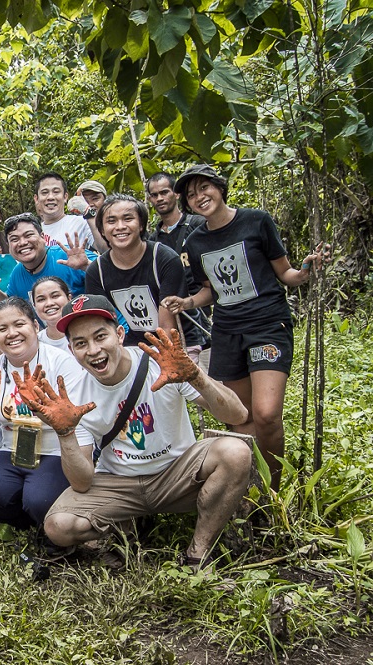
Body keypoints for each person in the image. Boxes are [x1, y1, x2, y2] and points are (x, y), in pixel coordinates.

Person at [36, 295, 251, 570]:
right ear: (71, 350)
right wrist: (65, 433)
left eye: (100, 336)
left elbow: (238, 415)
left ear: (119, 333)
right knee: (59, 526)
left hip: (177, 474)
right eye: (81, 343)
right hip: (120, 482)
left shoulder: (161, 364)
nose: (93, 350)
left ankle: (198, 551)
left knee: (235, 452)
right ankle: (126, 525)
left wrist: (195, 375)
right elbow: (81, 482)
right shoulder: (76, 393)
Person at [164, 164, 327, 486]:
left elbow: (286, 274)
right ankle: (250, 487)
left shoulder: (256, 221)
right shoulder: (195, 242)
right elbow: (210, 290)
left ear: (219, 188)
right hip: (227, 331)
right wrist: (187, 303)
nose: (199, 197)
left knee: (266, 414)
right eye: (191, 194)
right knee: (241, 417)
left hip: (267, 324)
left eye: (204, 188)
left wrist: (306, 271)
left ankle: (274, 487)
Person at [0, 297, 94, 533]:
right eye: (2, 329)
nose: (12, 333)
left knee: (40, 499)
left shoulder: (62, 364)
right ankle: (24, 529)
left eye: (19, 324)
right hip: (13, 450)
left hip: (57, 451)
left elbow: (81, 421)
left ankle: (50, 532)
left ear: (36, 327)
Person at [84, 194, 183, 346]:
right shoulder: (97, 272)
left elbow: (168, 329)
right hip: (134, 346)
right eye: (111, 221)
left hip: (179, 342)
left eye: (128, 219)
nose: (120, 226)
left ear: (141, 224)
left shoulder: (164, 259)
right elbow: (103, 324)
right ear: (102, 230)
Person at [145, 172, 210, 362]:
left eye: (164, 192)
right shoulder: (153, 241)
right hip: (173, 318)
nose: (160, 198)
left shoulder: (198, 225)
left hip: (205, 313)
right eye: (155, 195)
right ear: (150, 199)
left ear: (176, 194)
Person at [0, 213, 94, 304]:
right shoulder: (17, 274)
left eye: (28, 235)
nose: (22, 243)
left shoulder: (68, 255)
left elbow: (110, 273)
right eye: (14, 239)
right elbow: (12, 307)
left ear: (43, 237)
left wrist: (87, 266)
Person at [34, 172, 107, 253]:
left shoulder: (82, 222)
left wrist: (88, 213)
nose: (50, 197)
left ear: (65, 197)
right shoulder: (33, 231)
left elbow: (105, 248)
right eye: (44, 192)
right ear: (36, 199)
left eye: (56, 192)